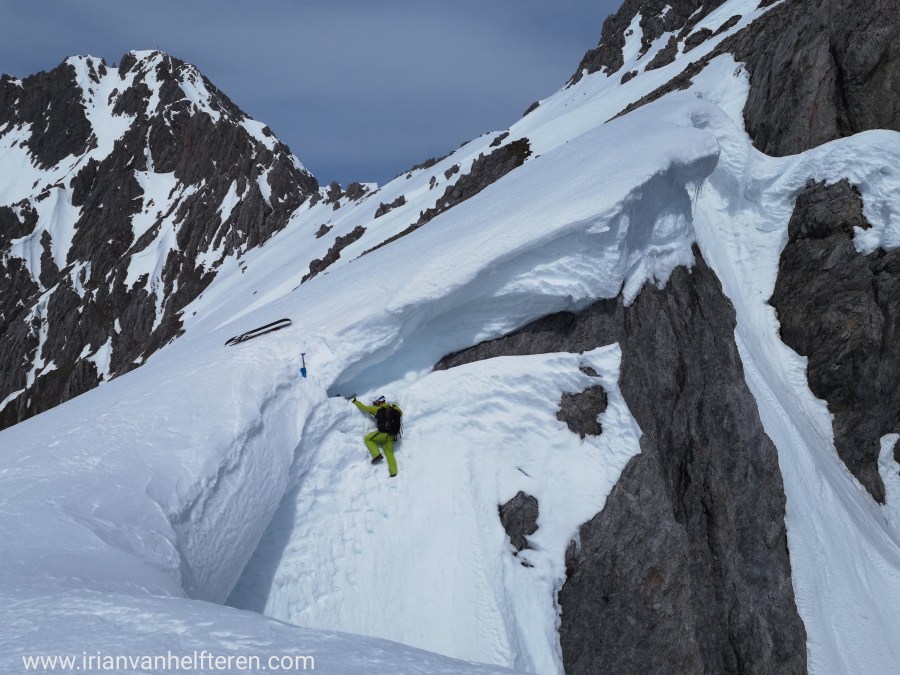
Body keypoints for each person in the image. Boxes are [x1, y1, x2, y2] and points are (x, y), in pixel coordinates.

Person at [352, 395, 402, 478]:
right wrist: (394, 406)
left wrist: (355, 401)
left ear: (379, 402)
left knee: (367, 438)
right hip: (392, 436)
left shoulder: (377, 409)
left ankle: (377, 455)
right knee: (389, 453)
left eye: (375, 402)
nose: (375, 404)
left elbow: (364, 408)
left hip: (383, 434)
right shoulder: (394, 409)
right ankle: (394, 472)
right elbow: (401, 412)